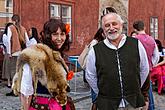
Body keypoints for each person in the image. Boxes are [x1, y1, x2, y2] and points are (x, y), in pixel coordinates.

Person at [86, 12, 150, 110]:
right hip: (107, 104)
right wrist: (103, 92)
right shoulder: (95, 50)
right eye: (107, 25)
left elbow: (144, 69)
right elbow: (90, 76)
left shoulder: (136, 44)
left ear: (121, 25)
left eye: (114, 24)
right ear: (103, 29)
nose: (111, 28)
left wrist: (134, 87)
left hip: (133, 103)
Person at [12, 18, 75, 110]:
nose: (59, 38)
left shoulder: (57, 54)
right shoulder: (35, 56)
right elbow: (26, 89)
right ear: (48, 35)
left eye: (62, 34)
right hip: (43, 106)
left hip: (59, 105)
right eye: (55, 34)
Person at [133, 20, 159, 110]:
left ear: (135, 29)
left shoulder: (134, 40)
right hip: (148, 69)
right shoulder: (152, 39)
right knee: (146, 93)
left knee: (135, 92)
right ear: (144, 28)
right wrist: (151, 64)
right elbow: (156, 56)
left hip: (135, 70)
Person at [5, 14, 29, 96]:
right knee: (20, 71)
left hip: (14, 52)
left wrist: (9, 52)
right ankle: (20, 89)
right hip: (22, 53)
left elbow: (8, 41)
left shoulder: (10, 28)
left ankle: (14, 90)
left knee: (13, 71)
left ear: (13, 20)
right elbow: (27, 41)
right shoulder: (23, 28)